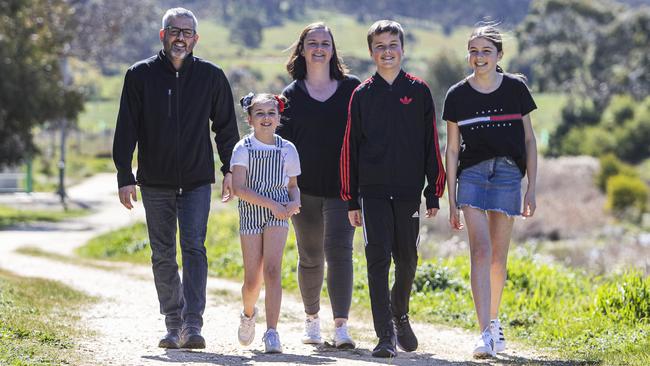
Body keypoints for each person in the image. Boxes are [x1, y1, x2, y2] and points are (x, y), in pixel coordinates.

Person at [112, 7, 240, 349]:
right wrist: (124, 174)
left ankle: (193, 324)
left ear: (195, 39)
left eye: (186, 32)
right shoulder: (139, 75)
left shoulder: (211, 77)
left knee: (194, 249)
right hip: (154, 182)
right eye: (174, 31)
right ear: (162, 35)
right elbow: (127, 128)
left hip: (198, 181)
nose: (180, 37)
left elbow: (226, 128)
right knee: (162, 253)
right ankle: (173, 323)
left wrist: (230, 169)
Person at [340, 20, 446, 358]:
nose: (387, 51)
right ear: (371, 52)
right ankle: (384, 335)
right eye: (380, 46)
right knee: (377, 260)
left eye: (392, 45)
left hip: (408, 192)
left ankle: (399, 313)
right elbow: (350, 148)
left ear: (402, 48)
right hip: (370, 193)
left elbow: (431, 143)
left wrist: (434, 190)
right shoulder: (362, 95)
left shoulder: (418, 91)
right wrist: (350, 198)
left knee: (408, 259)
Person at [442, 23, 538, 358]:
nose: (479, 57)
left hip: (509, 176)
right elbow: (452, 150)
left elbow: (529, 140)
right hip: (471, 177)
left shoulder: (516, 89)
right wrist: (451, 200)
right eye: (474, 51)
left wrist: (532, 188)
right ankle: (484, 333)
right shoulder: (457, 95)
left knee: (498, 257)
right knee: (480, 252)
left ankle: (494, 321)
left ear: (499, 55)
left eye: (486, 51)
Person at [278, 22, 360, 349]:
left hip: (343, 188)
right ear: (302, 49)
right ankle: (312, 320)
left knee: (340, 254)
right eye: (312, 42)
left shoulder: (352, 88)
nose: (319, 48)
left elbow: (362, 139)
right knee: (310, 256)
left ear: (333, 49)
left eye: (325, 42)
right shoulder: (290, 95)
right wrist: (287, 189)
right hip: (304, 190)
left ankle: (341, 327)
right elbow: (282, 149)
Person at [232, 93, 301, 354]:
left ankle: (272, 332)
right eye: (259, 113)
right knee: (252, 279)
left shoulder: (287, 149)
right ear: (250, 119)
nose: (266, 118)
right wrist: (271, 203)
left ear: (279, 117)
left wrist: (294, 202)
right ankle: (248, 314)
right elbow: (239, 188)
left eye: (271, 113)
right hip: (251, 212)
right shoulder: (243, 148)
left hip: (278, 215)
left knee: (273, 270)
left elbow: (293, 187)